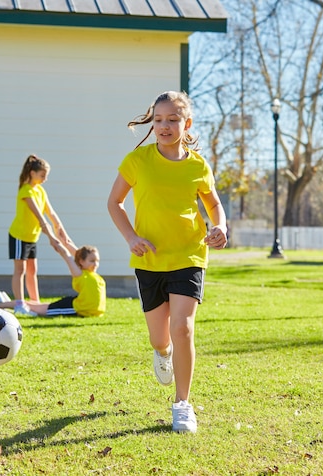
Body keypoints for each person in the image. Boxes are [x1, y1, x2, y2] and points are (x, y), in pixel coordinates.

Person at [107, 91, 228, 433]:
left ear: (186, 124)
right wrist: (131, 238)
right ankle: (163, 355)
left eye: (172, 120)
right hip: (149, 260)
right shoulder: (138, 161)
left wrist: (219, 226)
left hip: (189, 255)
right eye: (158, 120)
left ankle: (182, 405)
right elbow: (114, 203)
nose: (164, 126)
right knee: (161, 339)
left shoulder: (198, 166)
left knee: (183, 327)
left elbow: (214, 205)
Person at [0, 238, 106, 317]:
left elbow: (74, 250)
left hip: (76, 303)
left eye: (97, 261)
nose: (96, 264)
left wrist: (65, 240)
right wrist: (55, 239)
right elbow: (66, 254)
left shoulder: (94, 275)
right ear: (82, 261)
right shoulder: (80, 274)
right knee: (37, 310)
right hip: (75, 308)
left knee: (38, 307)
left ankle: (4, 301)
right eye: (92, 261)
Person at [8, 154, 67, 316]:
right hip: (19, 236)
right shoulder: (26, 191)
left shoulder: (40, 190)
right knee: (20, 270)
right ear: (32, 173)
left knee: (32, 270)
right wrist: (51, 238)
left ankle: (35, 303)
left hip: (32, 237)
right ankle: (20, 304)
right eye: (42, 175)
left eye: (46, 176)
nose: (44, 179)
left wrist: (59, 228)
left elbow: (50, 213)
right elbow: (40, 218)